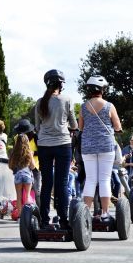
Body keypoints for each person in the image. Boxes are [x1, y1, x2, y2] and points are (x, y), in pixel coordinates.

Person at [34, 69, 78, 229]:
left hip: (44, 145)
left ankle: (44, 220)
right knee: (62, 182)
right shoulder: (66, 100)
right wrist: (70, 127)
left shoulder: (40, 102)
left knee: (46, 183)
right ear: (61, 84)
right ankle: (63, 219)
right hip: (62, 143)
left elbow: (37, 127)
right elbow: (74, 124)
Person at [78, 76, 122, 221]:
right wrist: (117, 129)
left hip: (88, 147)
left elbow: (80, 127)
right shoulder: (109, 106)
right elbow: (117, 126)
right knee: (104, 179)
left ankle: (85, 214)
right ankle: (104, 213)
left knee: (90, 179)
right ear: (103, 90)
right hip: (106, 145)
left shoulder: (84, 107)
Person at [14, 119, 41, 204]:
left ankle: (39, 213)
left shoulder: (35, 137)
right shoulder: (17, 138)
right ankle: (23, 213)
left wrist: (33, 153)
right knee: (21, 192)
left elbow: (42, 152)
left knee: (36, 191)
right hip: (22, 166)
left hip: (34, 166)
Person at [9, 133, 35, 217]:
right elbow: (33, 166)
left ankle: (20, 216)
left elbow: (10, 165)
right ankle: (28, 215)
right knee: (27, 197)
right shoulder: (29, 152)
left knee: (19, 197)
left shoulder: (14, 152)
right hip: (27, 176)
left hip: (18, 176)